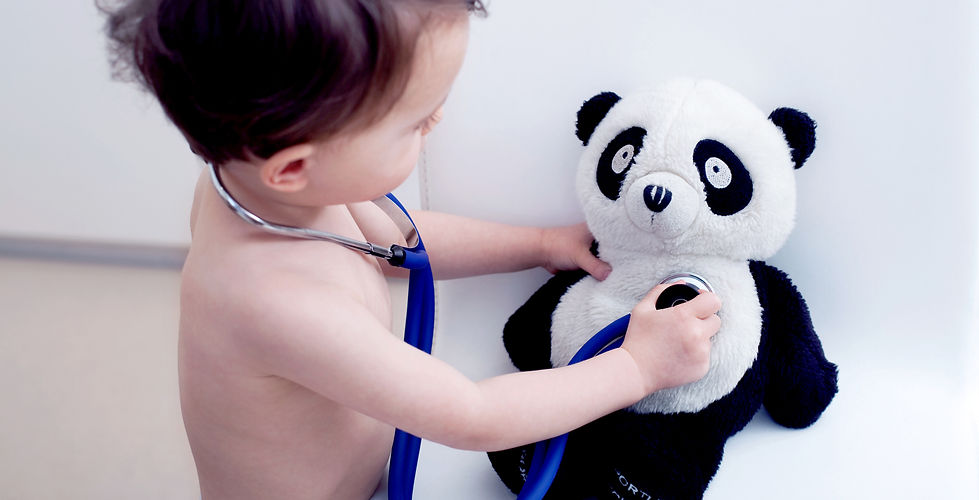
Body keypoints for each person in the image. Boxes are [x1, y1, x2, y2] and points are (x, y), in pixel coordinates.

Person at [102, 1, 722, 498]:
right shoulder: (272, 300)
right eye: (415, 122)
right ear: (294, 167)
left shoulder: (261, 189)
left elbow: (399, 242)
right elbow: (472, 415)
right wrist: (638, 367)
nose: (438, 122)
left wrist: (536, 245)